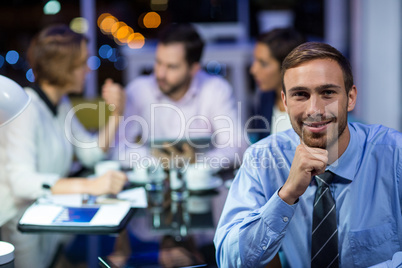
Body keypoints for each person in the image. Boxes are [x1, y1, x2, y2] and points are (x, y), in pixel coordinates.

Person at [214, 42, 402, 267]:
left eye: (328, 93)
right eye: (301, 95)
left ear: (351, 98)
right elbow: (230, 260)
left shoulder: (394, 155)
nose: (314, 109)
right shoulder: (263, 158)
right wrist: (286, 195)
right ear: (285, 102)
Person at [0, 24, 127, 267]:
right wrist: (90, 185)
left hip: (48, 224)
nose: (88, 69)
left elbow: (90, 154)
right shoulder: (26, 108)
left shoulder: (61, 104)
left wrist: (117, 114)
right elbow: (22, 182)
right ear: (62, 67)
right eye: (82, 63)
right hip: (20, 230)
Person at [112, 23, 243, 170]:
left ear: (194, 69)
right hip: (153, 181)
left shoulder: (216, 89)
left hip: (202, 183)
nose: (160, 73)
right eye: (158, 62)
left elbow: (236, 147)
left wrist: (198, 161)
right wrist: (156, 160)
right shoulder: (139, 90)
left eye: (171, 67)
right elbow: (118, 149)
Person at [249, 28, 305, 142]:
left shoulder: (313, 110)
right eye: (255, 60)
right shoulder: (266, 99)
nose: (253, 70)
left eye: (263, 63)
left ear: (288, 67)